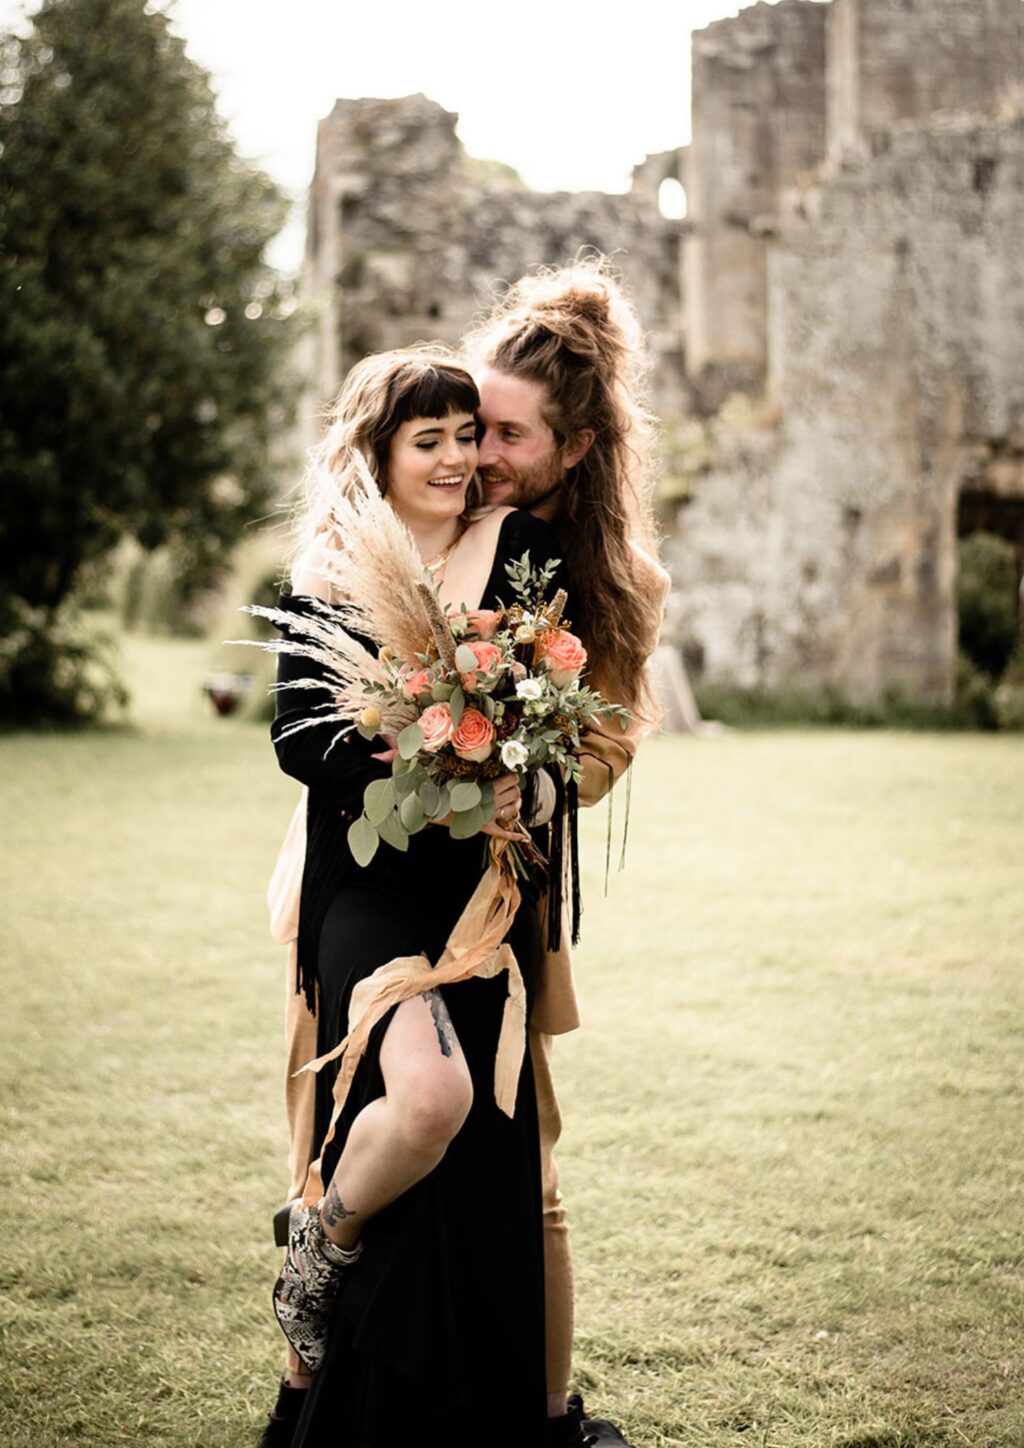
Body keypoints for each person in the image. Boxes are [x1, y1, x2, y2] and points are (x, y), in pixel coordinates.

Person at [258, 260, 668, 1448]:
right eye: (447, 432)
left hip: (496, 886)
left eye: (494, 435)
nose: (470, 455)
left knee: (518, 1163)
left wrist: (516, 752)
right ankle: (318, 1275)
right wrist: (425, 748)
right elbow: (307, 736)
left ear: (569, 448)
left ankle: (531, 1415)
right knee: (396, 1105)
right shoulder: (346, 555)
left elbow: (592, 738)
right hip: (366, 880)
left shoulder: (553, 557)